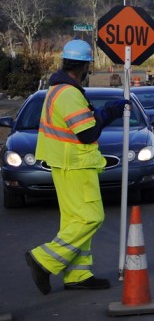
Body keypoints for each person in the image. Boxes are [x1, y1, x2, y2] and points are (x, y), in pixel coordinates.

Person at [25, 39, 128, 295]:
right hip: (76, 165)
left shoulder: (57, 90)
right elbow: (87, 132)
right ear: (85, 67)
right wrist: (110, 113)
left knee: (73, 221)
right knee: (91, 217)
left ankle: (77, 274)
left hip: (65, 164)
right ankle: (43, 260)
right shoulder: (68, 93)